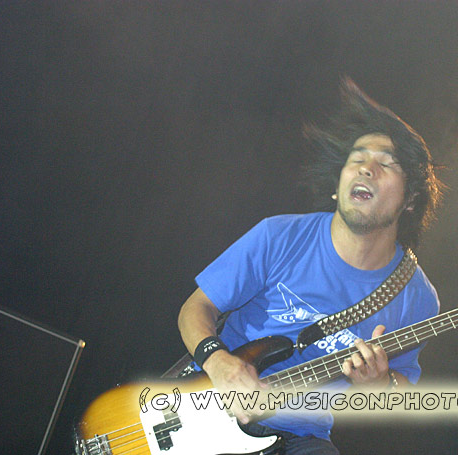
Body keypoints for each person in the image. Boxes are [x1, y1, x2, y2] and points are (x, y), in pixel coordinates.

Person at [178, 78, 443, 454]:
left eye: (386, 164)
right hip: (206, 409)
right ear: (338, 184)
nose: (366, 169)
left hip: (300, 437)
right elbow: (196, 308)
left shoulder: (417, 297)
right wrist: (219, 363)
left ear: (411, 199)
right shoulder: (278, 235)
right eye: (357, 159)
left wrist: (379, 384)